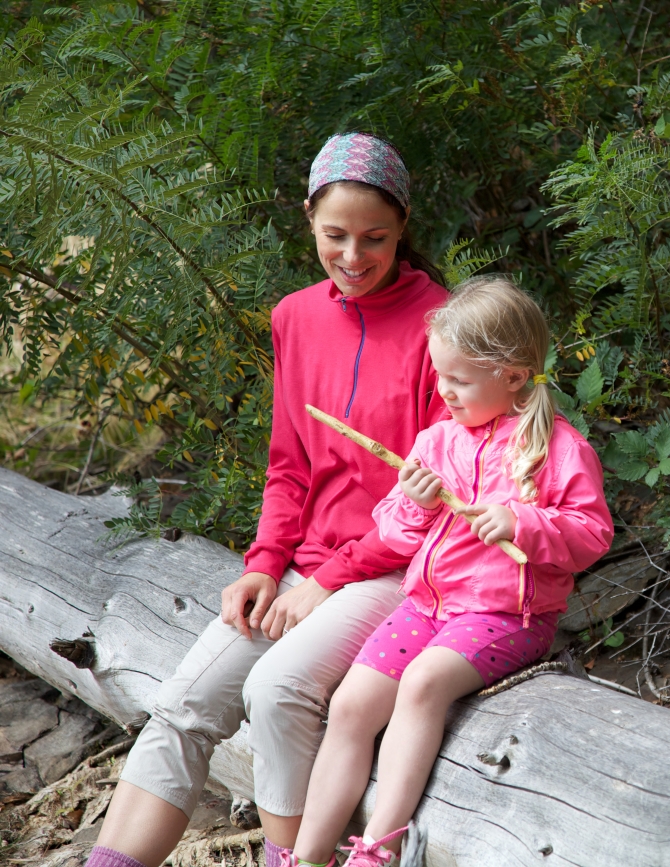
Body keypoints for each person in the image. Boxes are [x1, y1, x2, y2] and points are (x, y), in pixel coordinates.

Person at [88, 133, 450, 867]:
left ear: (404, 226)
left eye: (375, 238)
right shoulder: (295, 317)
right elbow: (290, 467)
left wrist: (326, 581)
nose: (353, 256)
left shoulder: (443, 325)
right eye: (335, 235)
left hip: (398, 568)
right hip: (306, 566)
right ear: (308, 219)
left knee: (277, 687)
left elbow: (436, 499)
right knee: (180, 709)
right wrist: (263, 564)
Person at [284, 276, 614, 867]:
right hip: (427, 606)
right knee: (352, 704)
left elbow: (591, 535)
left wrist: (522, 523)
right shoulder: (438, 441)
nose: (444, 390)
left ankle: (377, 849)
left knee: (423, 682)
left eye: (459, 379)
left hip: (507, 616)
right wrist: (414, 502)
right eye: (440, 374)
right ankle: (306, 857)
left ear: (513, 375)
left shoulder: (558, 449)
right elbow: (395, 533)